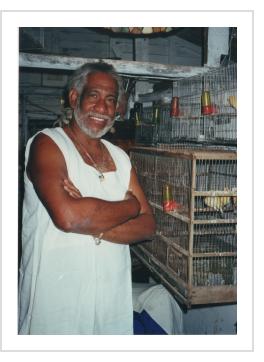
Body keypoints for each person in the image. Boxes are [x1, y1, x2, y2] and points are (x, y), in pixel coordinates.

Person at [18, 62, 156, 335]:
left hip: (109, 298)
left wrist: (91, 219)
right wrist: (130, 206)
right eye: (93, 96)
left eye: (111, 100)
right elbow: (69, 217)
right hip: (55, 297)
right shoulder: (47, 143)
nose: (103, 108)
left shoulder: (120, 157)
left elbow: (148, 226)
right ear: (74, 98)